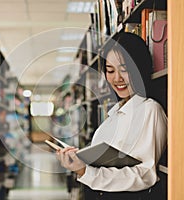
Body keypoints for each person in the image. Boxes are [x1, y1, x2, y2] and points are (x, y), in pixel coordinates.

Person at [56, 32, 167, 200]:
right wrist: (81, 159)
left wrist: (85, 171)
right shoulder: (114, 113)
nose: (117, 78)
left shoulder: (150, 110)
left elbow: (145, 175)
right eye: (110, 70)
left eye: (125, 70)